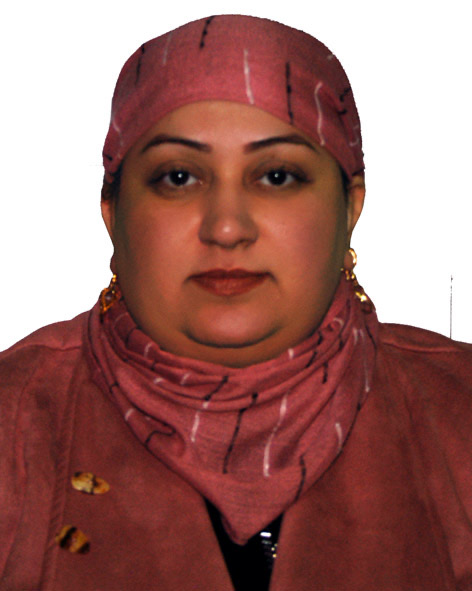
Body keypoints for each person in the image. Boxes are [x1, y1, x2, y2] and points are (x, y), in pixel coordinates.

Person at [1, 14, 471, 591]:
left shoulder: (459, 414)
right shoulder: (14, 421)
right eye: (179, 177)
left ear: (350, 208)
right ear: (112, 213)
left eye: (276, 176)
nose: (226, 227)